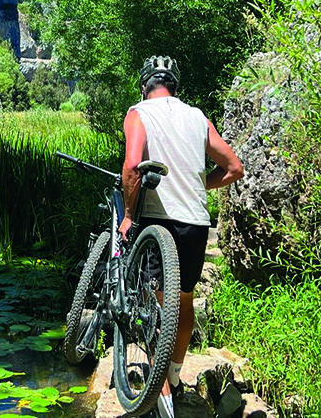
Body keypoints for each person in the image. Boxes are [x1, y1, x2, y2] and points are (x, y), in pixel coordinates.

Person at [116, 56, 244, 416]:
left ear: (144, 86)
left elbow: (131, 166)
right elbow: (234, 168)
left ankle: (162, 394)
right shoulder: (197, 116)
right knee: (184, 300)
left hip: (159, 220)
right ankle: (173, 373)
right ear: (175, 87)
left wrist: (127, 216)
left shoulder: (138, 112)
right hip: (196, 223)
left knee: (157, 308)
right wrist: (197, 182)